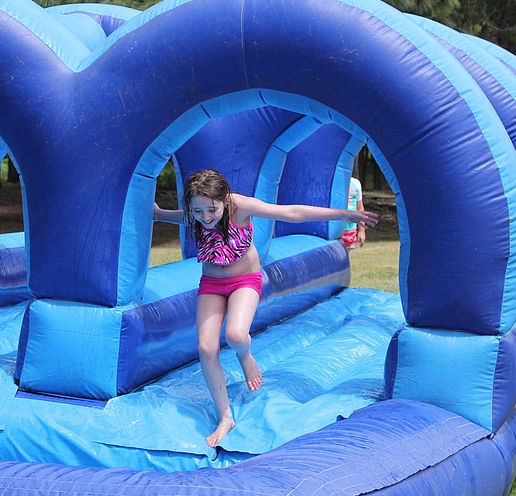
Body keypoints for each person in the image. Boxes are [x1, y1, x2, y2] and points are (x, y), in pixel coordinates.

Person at [153, 168, 380, 446]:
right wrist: (157, 212)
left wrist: (345, 215)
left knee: (236, 336)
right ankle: (226, 417)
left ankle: (245, 355)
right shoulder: (196, 212)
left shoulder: (240, 207)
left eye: (211, 210)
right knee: (205, 348)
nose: (205, 218)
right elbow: (177, 217)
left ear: (224, 199)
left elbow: (292, 213)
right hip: (211, 283)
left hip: (245, 280)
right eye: (198, 212)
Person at [341, 174, 366, 250]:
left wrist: (361, 231)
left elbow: (360, 208)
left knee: (345, 257)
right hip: (335, 228)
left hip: (350, 229)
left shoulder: (356, 183)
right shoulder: (334, 182)